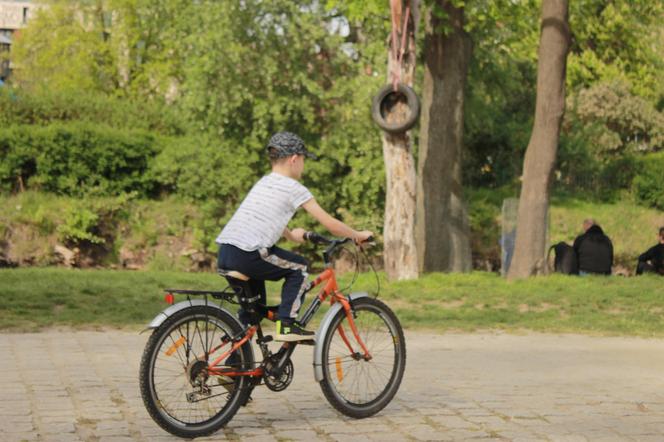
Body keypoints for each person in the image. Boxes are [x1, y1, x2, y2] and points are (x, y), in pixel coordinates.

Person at [216, 131, 373, 342]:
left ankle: (235, 369)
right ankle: (287, 325)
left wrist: (290, 235)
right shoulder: (294, 188)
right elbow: (330, 224)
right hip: (249, 253)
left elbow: (260, 216)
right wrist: (358, 235)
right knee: (299, 267)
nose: (303, 165)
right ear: (294, 159)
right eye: (303, 160)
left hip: (227, 252)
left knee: (251, 315)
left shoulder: (264, 182)